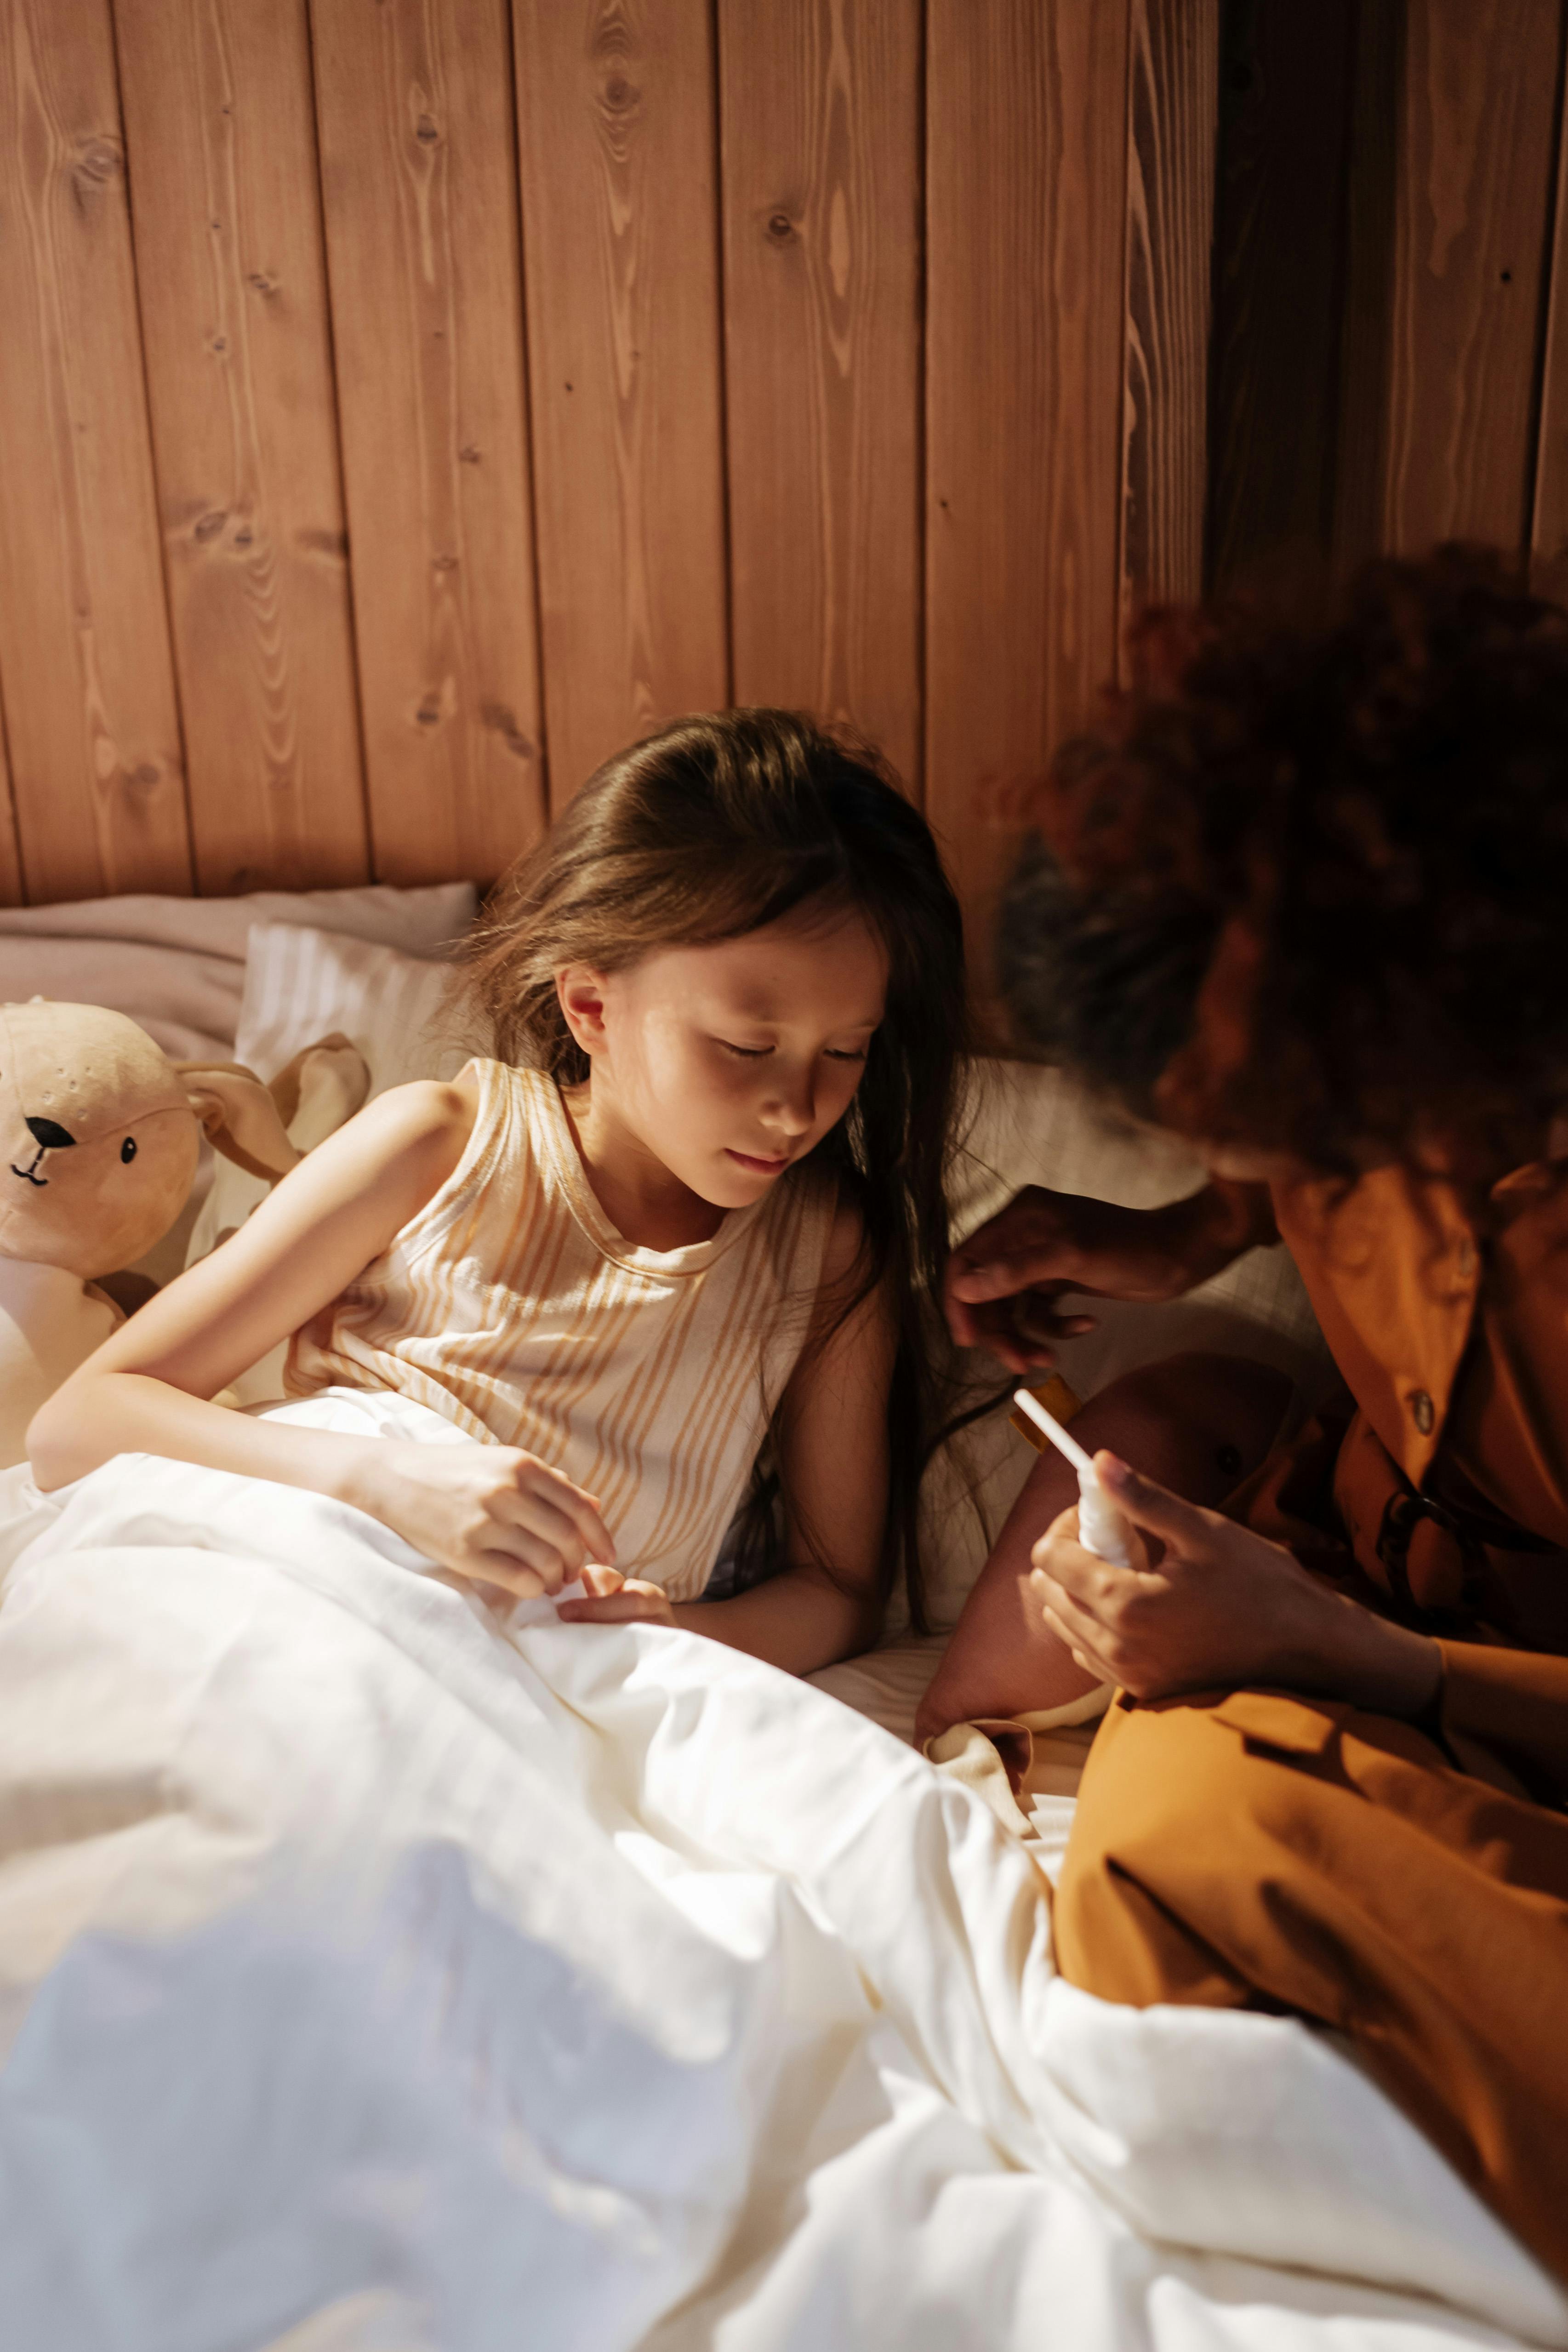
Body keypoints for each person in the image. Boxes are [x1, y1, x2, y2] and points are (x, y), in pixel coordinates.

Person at [940, 552, 1568, 2282]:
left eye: (1269, 1137)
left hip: (1500, 1692)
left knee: (1172, 1836)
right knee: (1166, 1419)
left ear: (1411, 1055)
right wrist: (1150, 1235)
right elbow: (1264, 1205)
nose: (1251, 1173)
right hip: (1368, 1569)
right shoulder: (1367, 1069)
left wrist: (1349, 1656)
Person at [31, 711, 966, 1677]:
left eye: (846, 1049)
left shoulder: (822, 1244)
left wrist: (665, 1634)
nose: (796, 1108)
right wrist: (380, 1481)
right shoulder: (439, 1141)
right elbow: (80, 1421)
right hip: (320, 1549)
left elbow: (836, 1591)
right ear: (592, 1005)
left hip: (545, 1659)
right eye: (744, 1046)